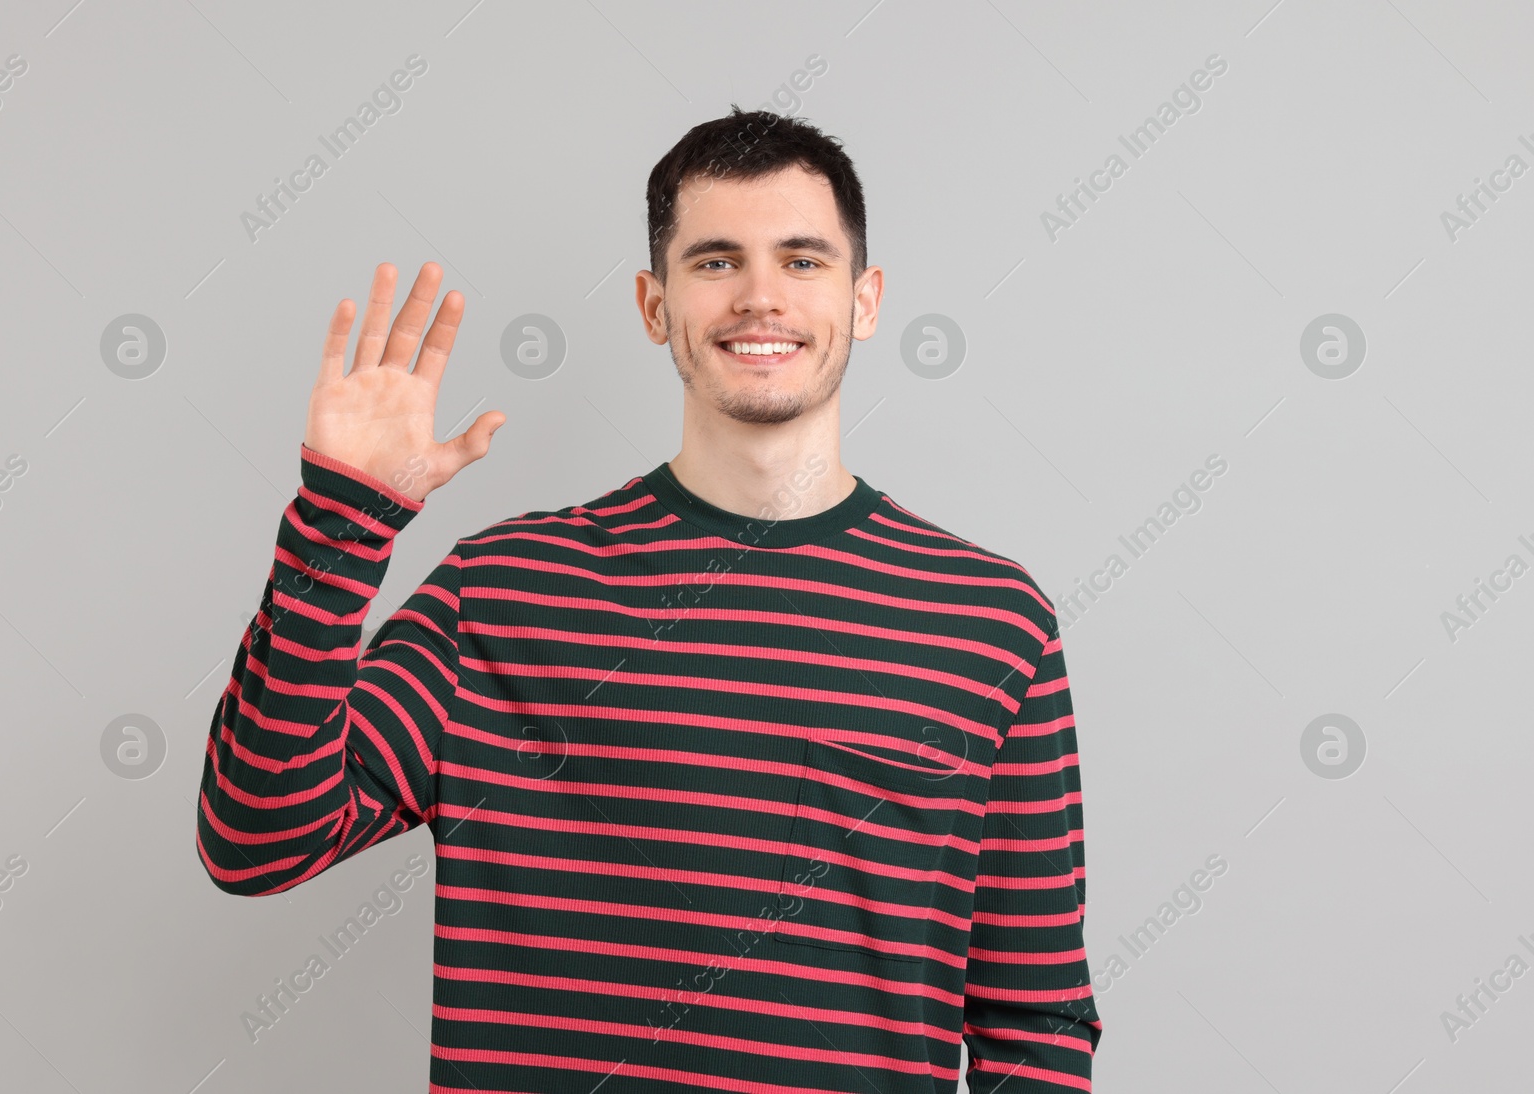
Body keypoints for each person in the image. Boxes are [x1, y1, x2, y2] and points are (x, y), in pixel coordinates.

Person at [196, 106, 1101, 1092]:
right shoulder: (502, 589)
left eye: (802, 260)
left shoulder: (988, 619)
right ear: (654, 303)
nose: (761, 296)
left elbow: (1033, 1013)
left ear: (866, 296)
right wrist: (341, 522)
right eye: (715, 261)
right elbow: (257, 837)